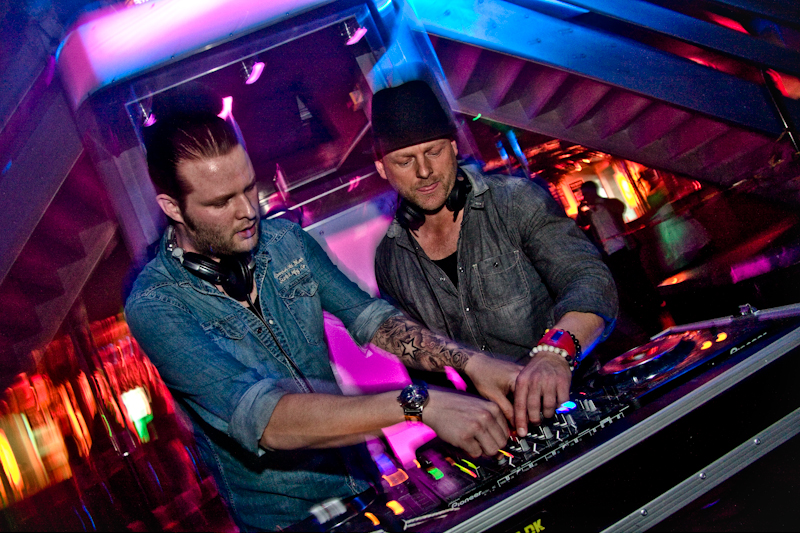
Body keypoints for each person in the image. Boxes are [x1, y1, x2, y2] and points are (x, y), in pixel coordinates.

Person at [124, 112, 519, 531]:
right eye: (221, 202)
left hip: (365, 489)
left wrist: (470, 361)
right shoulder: (157, 306)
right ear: (173, 207)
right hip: (291, 523)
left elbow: (372, 319)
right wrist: (419, 404)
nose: (247, 211)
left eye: (248, 188)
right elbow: (266, 420)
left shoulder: (285, 242)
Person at [372, 80, 618, 439]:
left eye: (434, 152)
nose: (424, 171)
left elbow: (589, 280)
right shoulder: (391, 259)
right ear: (382, 169)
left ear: (454, 147)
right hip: (500, 429)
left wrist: (554, 353)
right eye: (405, 161)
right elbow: (416, 353)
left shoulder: (515, 202)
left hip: (578, 398)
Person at [577, 180, 666, 336]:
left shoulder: (608, 204)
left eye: (586, 194)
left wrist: (600, 201)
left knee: (639, 277)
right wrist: (580, 210)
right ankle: (645, 311)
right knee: (627, 284)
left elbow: (620, 207)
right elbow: (581, 223)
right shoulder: (590, 213)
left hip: (623, 246)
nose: (585, 197)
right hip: (610, 253)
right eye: (583, 195)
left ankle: (656, 307)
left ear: (593, 192)